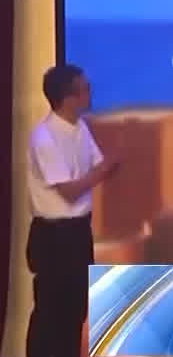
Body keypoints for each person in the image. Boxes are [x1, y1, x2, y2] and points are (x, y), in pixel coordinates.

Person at [26, 64, 120, 357]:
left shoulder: (80, 129)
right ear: (69, 97)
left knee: (76, 309)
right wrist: (103, 170)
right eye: (85, 89)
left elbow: (99, 165)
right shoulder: (44, 137)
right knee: (51, 313)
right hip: (53, 237)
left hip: (79, 232)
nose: (90, 93)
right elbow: (69, 192)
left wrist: (109, 167)